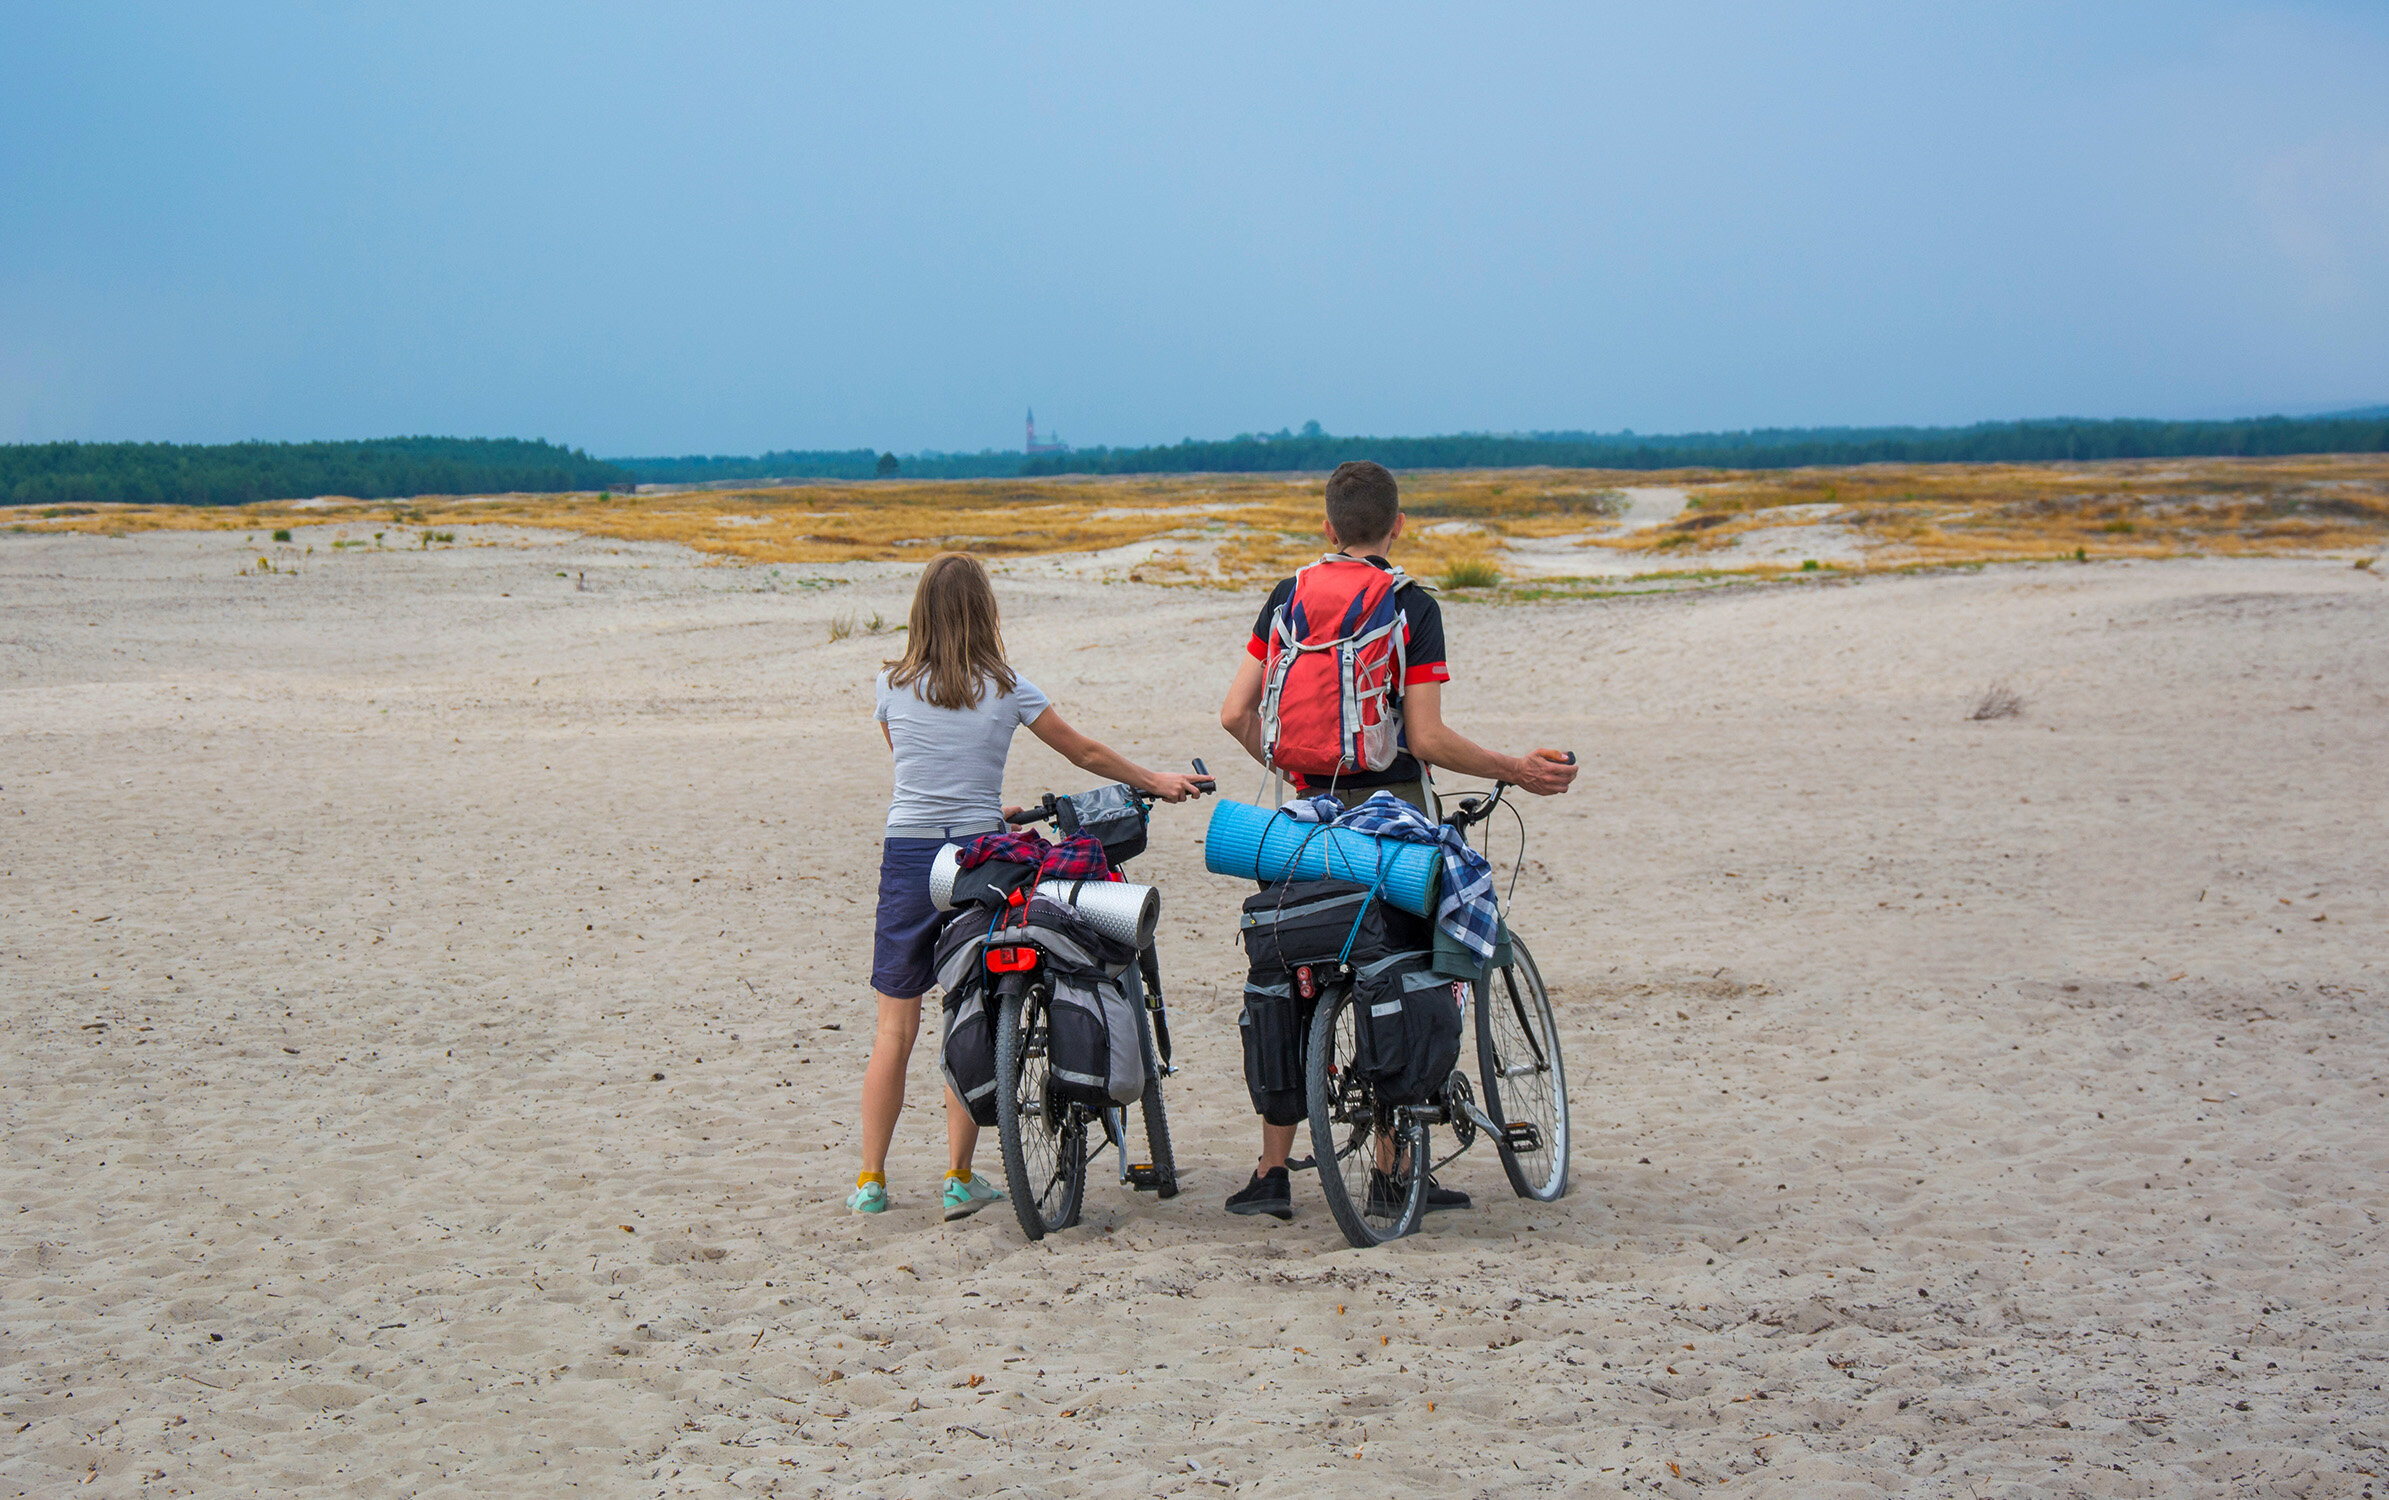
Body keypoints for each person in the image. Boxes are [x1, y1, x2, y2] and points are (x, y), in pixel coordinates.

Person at [1214, 460, 1578, 1221]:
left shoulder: (1285, 598)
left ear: (1325, 527)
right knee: (1403, 968)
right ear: (1397, 525)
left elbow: (1233, 715)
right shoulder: (1410, 603)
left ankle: (1271, 1173)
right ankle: (1391, 1169)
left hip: (1303, 820)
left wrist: (1291, 768)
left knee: (1293, 967)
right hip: (1394, 813)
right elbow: (1425, 735)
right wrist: (1513, 766)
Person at [855, 552, 1205, 1220]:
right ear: (985, 611)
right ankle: (958, 1175)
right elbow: (1084, 753)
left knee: (893, 1027)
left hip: (909, 856)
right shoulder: (1008, 687)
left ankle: (871, 1180)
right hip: (979, 858)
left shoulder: (889, 687)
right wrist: (1154, 780)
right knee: (970, 1008)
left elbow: (918, 771)